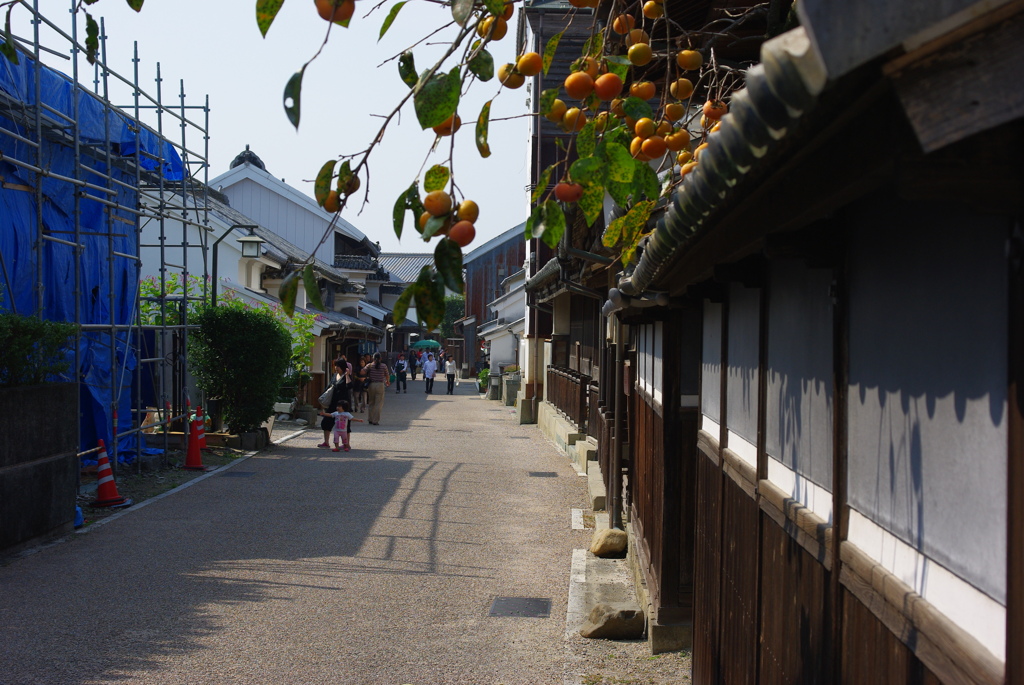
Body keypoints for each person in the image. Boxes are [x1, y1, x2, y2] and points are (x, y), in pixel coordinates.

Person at [318, 359, 352, 448]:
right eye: (335, 366)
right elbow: (329, 387)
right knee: (326, 421)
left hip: (343, 403)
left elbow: (349, 386)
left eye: (338, 366)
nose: (336, 368)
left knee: (345, 423)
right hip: (333, 403)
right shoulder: (334, 375)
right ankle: (326, 442)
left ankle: (346, 444)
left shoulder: (346, 376)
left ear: (343, 367)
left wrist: (347, 375)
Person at [365, 352, 391, 424]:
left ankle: (370, 418)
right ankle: (375, 420)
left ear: (373, 358)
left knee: (371, 403)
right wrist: (387, 381)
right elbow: (387, 375)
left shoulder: (369, 365)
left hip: (371, 385)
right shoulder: (384, 366)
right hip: (380, 385)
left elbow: (363, 371)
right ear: (380, 358)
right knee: (378, 403)